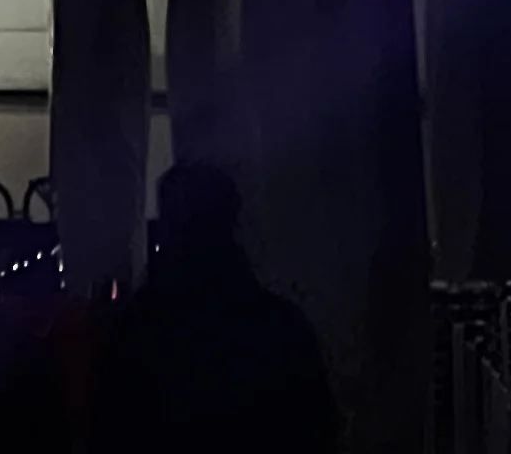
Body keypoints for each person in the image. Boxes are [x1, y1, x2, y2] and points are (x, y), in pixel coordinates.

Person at [90, 166, 339, 454]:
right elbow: (319, 431)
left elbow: (110, 433)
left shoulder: (136, 331)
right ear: (233, 221)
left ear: (167, 228)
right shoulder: (281, 327)